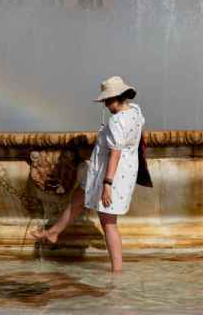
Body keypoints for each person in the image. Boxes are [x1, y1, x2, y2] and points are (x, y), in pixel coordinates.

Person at [31, 76, 146, 272]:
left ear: (117, 97)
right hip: (109, 171)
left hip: (111, 175)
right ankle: (53, 232)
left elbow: (116, 154)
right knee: (79, 196)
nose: (105, 104)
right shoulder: (135, 111)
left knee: (108, 222)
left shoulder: (117, 121)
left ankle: (116, 272)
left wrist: (108, 184)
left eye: (108, 100)